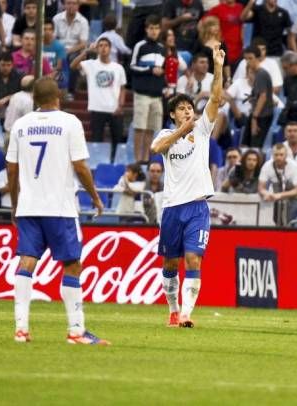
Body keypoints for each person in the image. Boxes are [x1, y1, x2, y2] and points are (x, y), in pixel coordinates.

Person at [6, 77, 107, 345]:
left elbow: (12, 169)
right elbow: (81, 167)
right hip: (60, 207)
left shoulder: (20, 125)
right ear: (58, 96)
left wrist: (16, 204)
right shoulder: (69, 122)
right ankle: (76, 331)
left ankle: (21, 329)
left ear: (34, 99)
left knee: (26, 262)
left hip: (29, 206)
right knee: (73, 264)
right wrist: (95, 198)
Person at [150, 44, 225, 328]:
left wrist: (218, 67)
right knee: (170, 265)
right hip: (171, 208)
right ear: (172, 114)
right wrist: (183, 129)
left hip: (197, 207)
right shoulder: (168, 134)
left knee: (193, 259)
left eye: (189, 108)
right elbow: (157, 148)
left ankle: (186, 314)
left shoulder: (203, 130)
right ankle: (172, 309)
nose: (187, 112)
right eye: (181, 109)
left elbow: (216, 99)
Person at [71, 37, 127, 162]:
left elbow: (122, 88)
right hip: (97, 108)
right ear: (97, 49)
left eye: (106, 45)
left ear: (110, 48)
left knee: (117, 139)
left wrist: (121, 105)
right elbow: (73, 65)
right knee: (97, 140)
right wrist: (86, 52)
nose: (103, 48)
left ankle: (114, 162)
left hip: (114, 109)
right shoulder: (91, 64)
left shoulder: (118, 67)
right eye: (100, 45)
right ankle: (98, 163)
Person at [130, 15, 165, 164]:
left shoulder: (162, 49)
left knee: (151, 128)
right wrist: (150, 70)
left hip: (157, 95)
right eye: (151, 28)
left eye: (157, 28)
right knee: (140, 128)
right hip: (142, 94)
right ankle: (137, 159)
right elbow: (132, 66)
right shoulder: (140, 46)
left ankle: (146, 159)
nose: (154, 31)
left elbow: (164, 69)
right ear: (146, 29)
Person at [258, 143, 297, 226]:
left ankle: (289, 230)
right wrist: (266, 194)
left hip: (292, 198)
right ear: (272, 155)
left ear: (286, 155)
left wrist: (280, 195)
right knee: (264, 202)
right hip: (274, 197)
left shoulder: (294, 166)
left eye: (281, 155)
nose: (278, 157)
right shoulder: (267, 165)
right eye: (276, 155)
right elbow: (261, 188)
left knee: (294, 208)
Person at [242, 45, 274, 148]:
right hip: (255, 114)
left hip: (262, 116)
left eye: (250, 58)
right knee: (244, 144)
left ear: (258, 58)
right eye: (246, 58)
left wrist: (255, 118)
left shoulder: (261, 74)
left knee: (255, 147)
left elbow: (263, 96)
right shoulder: (256, 74)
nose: (247, 61)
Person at [205, 0, 245, 70]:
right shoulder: (218, 9)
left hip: (238, 50)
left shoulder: (240, 8)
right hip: (223, 49)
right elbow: (204, 22)